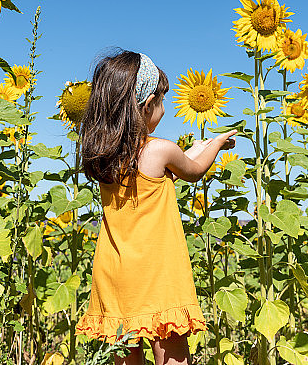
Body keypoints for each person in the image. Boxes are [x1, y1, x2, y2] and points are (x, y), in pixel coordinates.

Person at [76, 49, 237, 365]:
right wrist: (215, 144)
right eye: (162, 102)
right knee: (172, 356)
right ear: (147, 104)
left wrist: (189, 151)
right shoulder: (161, 150)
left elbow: (150, 190)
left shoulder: (106, 158)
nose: (164, 110)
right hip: (157, 274)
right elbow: (193, 171)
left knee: (124, 356)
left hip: (115, 275)